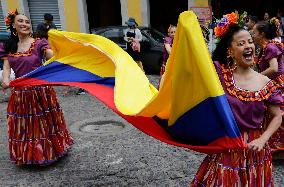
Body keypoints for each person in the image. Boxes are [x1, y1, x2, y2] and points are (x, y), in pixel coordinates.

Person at [191, 13, 282, 186]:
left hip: (256, 152)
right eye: (241, 44)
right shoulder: (220, 76)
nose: (248, 46)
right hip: (228, 148)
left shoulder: (265, 83)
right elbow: (195, 62)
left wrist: (263, 140)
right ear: (230, 51)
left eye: (249, 41)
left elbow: (277, 116)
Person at [0, 10, 73, 165]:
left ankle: (48, 153)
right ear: (13, 25)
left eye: (27, 22)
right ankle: (29, 155)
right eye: (20, 21)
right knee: (26, 126)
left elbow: (51, 55)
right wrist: (5, 80)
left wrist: (65, 54)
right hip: (20, 94)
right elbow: (6, 67)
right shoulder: (9, 46)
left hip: (41, 91)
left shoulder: (38, 43)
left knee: (43, 124)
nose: (25, 24)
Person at [252, 18, 284, 153]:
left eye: (254, 32)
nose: (252, 35)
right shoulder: (266, 47)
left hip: (276, 84)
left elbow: (274, 68)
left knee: (276, 114)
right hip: (272, 83)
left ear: (262, 34)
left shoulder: (270, 47)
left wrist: (257, 77)